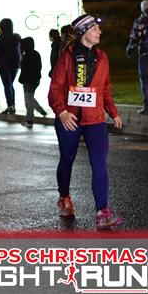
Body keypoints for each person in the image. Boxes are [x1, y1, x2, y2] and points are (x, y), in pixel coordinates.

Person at [48, 13, 124, 230]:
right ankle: (64, 197)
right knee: (67, 159)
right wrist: (62, 112)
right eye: (94, 29)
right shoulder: (67, 56)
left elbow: (105, 88)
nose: (99, 32)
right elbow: (55, 89)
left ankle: (102, 212)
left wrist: (113, 112)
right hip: (70, 119)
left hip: (95, 120)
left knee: (99, 164)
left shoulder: (102, 57)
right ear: (83, 32)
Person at [0, 18, 21, 114]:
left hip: (4, 64)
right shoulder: (16, 37)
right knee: (10, 85)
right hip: (15, 64)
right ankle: (12, 106)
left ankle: (10, 106)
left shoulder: (1, 38)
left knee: (7, 85)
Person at [19, 37, 48, 128]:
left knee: (28, 100)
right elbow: (39, 67)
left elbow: (23, 68)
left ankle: (29, 120)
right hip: (35, 80)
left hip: (28, 80)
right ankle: (41, 111)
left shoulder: (26, 56)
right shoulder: (36, 54)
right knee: (30, 98)